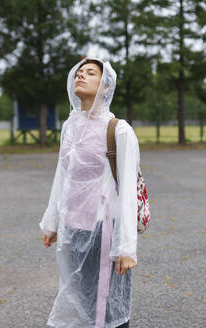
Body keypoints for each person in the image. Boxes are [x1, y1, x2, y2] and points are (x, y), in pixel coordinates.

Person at [39, 57, 141, 328]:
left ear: (106, 86)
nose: (80, 76)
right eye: (78, 73)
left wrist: (126, 247)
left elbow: (128, 189)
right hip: (75, 229)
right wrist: (52, 223)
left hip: (105, 232)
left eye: (90, 73)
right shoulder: (69, 127)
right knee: (81, 302)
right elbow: (63, 175)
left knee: (108, 307)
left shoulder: (119, 130)